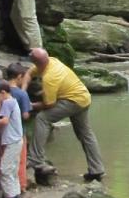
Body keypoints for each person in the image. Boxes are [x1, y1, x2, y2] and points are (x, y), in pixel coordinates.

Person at [22, 48, 104, 184]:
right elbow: (29, 72)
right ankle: (97, 169)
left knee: (42, 118)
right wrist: (23, 91)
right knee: (85, 134)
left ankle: (35, 158)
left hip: (73, 101)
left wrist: (30, 105)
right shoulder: (51, 61)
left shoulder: (50, 77)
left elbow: (49, 104)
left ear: (37, 62)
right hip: (84, 97)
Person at [0, 79, 23, 198]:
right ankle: (15, 197)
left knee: (5, 170)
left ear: (2, 92)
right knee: (12, 170)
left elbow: (3, 121)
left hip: (12, 141)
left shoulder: (7, 103)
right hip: (16, 140)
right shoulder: (12, 101)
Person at [6, 63, 32, 198]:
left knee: (5, 160)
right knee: (20, 161)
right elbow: (25, 115)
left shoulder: (2, 90)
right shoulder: (22, 94)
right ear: (19, 77)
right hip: (19, 132)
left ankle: (7, 188)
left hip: (3, 133)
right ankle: (21, 188)